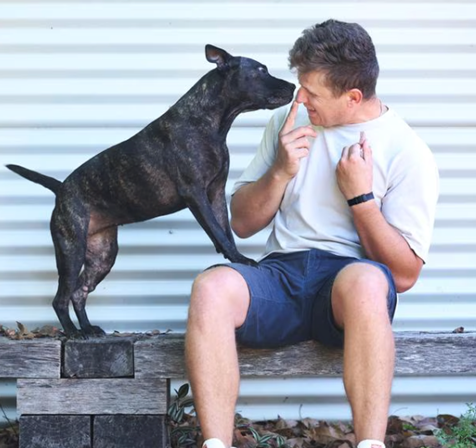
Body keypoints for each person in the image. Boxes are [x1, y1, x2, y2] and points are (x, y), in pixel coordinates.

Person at [185, 19, 439, 448]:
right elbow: (242, 223)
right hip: (280, 279)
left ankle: (370, 444)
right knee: (211, 286)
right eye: (299, 85)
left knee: (366, 282)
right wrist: (280, 171)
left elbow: (404, 275)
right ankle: (216, 444)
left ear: (353, 96)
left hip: (345, 289)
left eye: (312, 92)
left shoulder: (407, 151)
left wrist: (361, 199)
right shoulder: (290, 122)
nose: (299, 98)